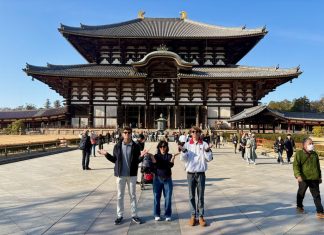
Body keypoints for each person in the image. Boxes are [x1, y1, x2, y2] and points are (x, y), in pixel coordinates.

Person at [98, 126, 145, 225]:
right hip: (120, 175)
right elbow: (115, 160)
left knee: (133, 195)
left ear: (131, 133)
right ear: (122, 134)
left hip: (132, 175)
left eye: (129, 132)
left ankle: (134, 215)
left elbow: (136, 161)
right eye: (125, 132)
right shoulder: (118, 146)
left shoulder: (135, 146)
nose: (127, 134)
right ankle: (119, 215)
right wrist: (106, 154)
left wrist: (142, 157)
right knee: (120, 196)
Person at [179, 126, 213, 227]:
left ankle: (201, 216)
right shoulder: (187, 144)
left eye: (197, 131)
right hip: (190, 174)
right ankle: (193, 215)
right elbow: (183, 159)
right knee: (191, 196)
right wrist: (184, 152)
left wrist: (207, 151)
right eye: (193, 132)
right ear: (191, 133)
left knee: (201, 196)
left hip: (201, 173)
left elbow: (209, 159)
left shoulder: (204, 144)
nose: (195, 133)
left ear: (199, 133)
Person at [293, 137, 324, 219]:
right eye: (310, 144)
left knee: (316, 195)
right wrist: (298, 175)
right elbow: (295, 166)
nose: (312, 145)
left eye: (312, 143)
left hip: (314, 178)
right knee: (301, 193)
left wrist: (319, 176)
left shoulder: (314, 154)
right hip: (303, 178)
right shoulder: (299, 154)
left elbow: (318, 167)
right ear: (304, 145)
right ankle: (299, 206)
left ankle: (320, 211)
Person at [150, 140, 176, 222]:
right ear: (158, 147)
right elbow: (154, 167)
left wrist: (173, 159)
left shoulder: (169, 155)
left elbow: (170, 165)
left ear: (167, 147)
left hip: (167, 178)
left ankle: (168, 214)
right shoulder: (156, 156)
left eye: (164, 146)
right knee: (156, 197)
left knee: (168, 198)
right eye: (160, 147)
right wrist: (153, 161)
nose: (162, 148)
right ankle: (157, 214)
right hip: (157, 179)